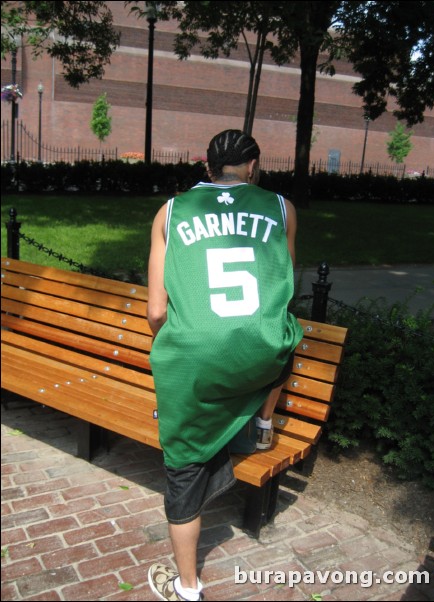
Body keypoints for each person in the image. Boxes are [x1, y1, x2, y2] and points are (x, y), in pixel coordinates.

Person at [146, 129, 303, 601]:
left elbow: (156, 312)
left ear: (206, 166)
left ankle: (188, 586)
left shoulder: (171, 212)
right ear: (252, 166)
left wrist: (179, 356)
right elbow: (284, 291)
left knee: (183, 464)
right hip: (260, 354)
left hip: (194, 358)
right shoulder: (282, 208)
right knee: (288, 335)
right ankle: (262, 420)